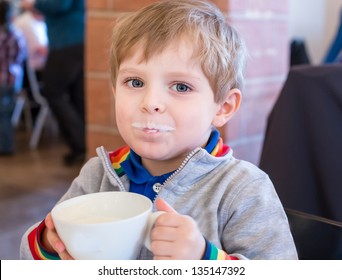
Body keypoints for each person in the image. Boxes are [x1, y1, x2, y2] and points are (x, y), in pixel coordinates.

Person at [20, 0, 298, 260]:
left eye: (180, 87)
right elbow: (29, 257)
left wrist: (206, 260)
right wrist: (48, 242)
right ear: (115, 90)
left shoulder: (243, 189)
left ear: (223, 107)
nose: (150, 103)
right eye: (135, 82)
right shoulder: (97, 176)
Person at [21, 0, 86, 165]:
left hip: (66, 42)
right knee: (76, 95)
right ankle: (82, 146)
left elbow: (59, 5)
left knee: (53, 92)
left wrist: (34, 4)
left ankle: (80, 145)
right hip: (75, 40)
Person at [0, 0, 26, 155]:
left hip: (2, 80)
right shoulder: (16, 33)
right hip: (14, 79)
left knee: (3, 115)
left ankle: (5, 147)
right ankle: (7, 144)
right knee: (6, 114)